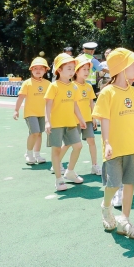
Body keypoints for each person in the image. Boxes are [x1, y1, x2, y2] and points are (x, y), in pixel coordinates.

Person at [92, 47, 134, 238]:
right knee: (113, 184)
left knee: (130, 182)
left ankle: (125, 219)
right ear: (122, 68)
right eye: (133, 64)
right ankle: (106, 206)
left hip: (133, 145)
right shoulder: (107, 92)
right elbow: (104, 119)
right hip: (114, 147)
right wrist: (107, 142)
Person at [44, 54, 88, 191]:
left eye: (73, 68)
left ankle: (69, 171)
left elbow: (75, 105)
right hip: (56, 124)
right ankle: (59, 179)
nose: (72, 71)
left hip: (70, 123)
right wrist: (47, 122)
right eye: (69, 68)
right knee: (56, 151)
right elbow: (48, 105)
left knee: (78, 146)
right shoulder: (53, 86)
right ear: (59, 70)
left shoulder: (74, 87)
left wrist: (81, 119)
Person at [14, 57, 50, 166]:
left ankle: (37, 155)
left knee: (39, 134)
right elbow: (20, 97)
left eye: (41, 68)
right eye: (35, 68)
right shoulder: (27, 83)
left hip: (42, 113)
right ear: (31, 70)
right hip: (31, 113)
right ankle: (29, 154)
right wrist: (16, 110)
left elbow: (51, 100)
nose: (38, 70)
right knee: (34, 133)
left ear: (45, 70)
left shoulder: (48, 84)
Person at [74, 54, 100, 175]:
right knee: (71, 144)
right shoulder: (72, 86)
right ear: (76, 70)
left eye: (88, 69)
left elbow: (91, 103)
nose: (86, 72)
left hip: (88, 120)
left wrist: (93, 117)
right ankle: (58, 164)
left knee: (92, 142)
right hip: (74, 121)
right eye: (83, 69)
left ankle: (95, 165)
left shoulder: (89, 86)